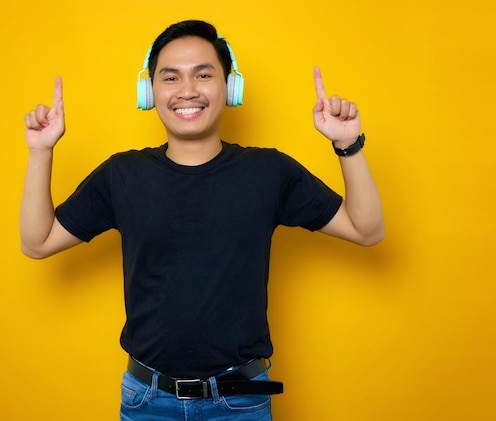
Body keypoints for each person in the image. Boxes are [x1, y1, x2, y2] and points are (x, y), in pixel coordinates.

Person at [20, 19, 384, 421]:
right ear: (150, 91)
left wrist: (347, 144)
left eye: (204, 74)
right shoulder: (122, 174)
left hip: (240, 401)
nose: (187, 90)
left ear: (229, 87)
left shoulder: (269, 171)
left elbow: (366, 229)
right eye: (170, 77)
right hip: (146, 401)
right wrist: (41, 152)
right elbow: (37, 242)